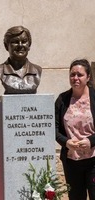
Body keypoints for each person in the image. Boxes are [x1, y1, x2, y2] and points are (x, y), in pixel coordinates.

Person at [55, 59, 95, 200]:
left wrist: (91, 141)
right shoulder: (62, 99)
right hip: (71, 161)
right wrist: (66, 142)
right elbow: (54, 129)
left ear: (88, 77)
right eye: (72, 74)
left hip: (93, 159)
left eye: (80, 74)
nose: (75, 78)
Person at [0, 25, 42, 94]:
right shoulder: (0, 70)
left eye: (24, 41)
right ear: (6, 46)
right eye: (15, 42)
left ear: (29, 45)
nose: (20, 45)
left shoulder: (37, 70)